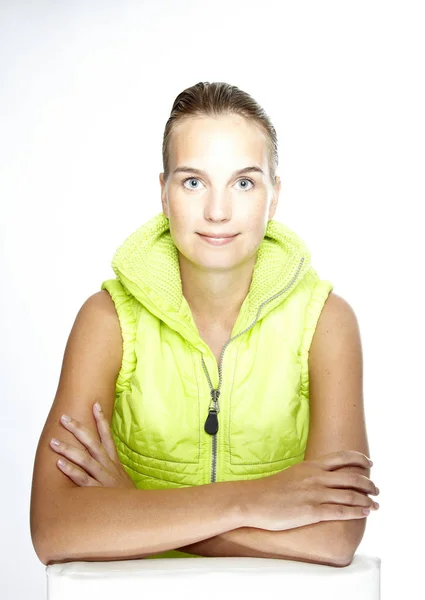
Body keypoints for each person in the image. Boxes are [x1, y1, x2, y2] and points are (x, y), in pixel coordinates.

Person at [30, 81, 378, 566]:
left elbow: (334, 540)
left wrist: (129, 507)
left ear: (274, 197)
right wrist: (250, 502)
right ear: (164, 193)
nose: (218, 212)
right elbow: (54, 528)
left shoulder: (326, 323)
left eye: (244, 182)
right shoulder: (106, 320)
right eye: (194, 182)